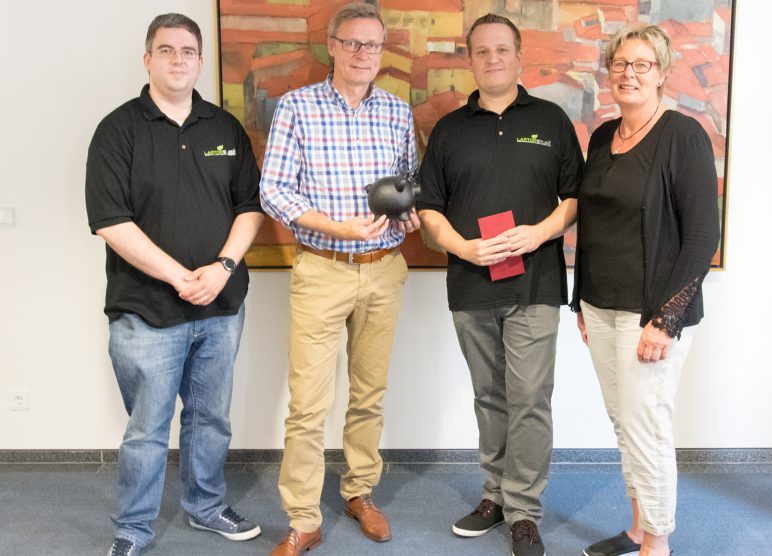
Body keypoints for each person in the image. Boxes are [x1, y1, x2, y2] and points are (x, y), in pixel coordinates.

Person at [85, 13, 265, 556]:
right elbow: (110, 221)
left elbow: (250, 207)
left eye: (188, 51)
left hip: (221, 305)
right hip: (146, 309)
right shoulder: (117, 130)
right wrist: (180, 277)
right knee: (147, 429)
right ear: (148, 59)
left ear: (201, 61)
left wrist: (223, 269)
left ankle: (206, 507)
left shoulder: (225, 129)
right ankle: (134, 529)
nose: (178, 59)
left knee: (210, 418)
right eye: (167, 50)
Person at [416, 13, 584, 556]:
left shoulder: (552, 120)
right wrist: (463, 247)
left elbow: (576, 199)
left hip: (535, 286)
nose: (492, 59)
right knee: (489, 397)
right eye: (482, 51)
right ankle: (494, 494)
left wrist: (538, 234)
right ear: (471, 60)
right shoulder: (448, 130)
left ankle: (524, 511)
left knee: (530, 398)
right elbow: (428, 210)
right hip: (470, 286)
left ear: (518, 57)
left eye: (502, 50)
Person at [258, 3, 419, 555]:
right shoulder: (297, 108)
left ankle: (359, 491)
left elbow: (407, 184)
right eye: (352, 43)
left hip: (384, 270)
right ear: (331, 45)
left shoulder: (398, 112)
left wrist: (409, 211)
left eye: (372, 45)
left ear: (382, 51)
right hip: (322, 269)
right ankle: (304, 518)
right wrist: (336, 228)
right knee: (307, 404)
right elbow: (274, 191)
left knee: (369, 395)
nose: (362, 54)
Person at [571, 25, 720, 556]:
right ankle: (637, 528)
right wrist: (580, 301)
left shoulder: (683, 135)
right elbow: (594, 224)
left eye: (642, 64)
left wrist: (667, 319)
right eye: (621, 64)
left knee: (648, 427)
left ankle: (658, 543)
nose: (629, 73)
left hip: (652, 314)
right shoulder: (602, 136)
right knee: (624, 424)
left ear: (662, 73)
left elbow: (703, 236)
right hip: (600, 305)